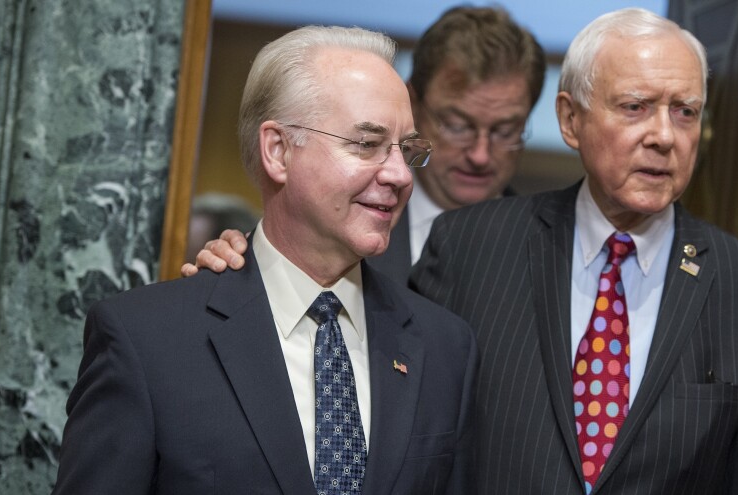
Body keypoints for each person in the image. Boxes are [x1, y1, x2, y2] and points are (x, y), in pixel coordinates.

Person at [189, 8, 738, 495]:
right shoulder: (472, 247)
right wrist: (256, 267)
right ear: (571, 120)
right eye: (635, 107)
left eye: (685, 112)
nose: (663, 136)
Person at [53, 26, 477, 495]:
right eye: (366, 144)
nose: (399, 174)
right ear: (278, 150)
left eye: (407, 149)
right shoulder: (147, 341)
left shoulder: (443, 347)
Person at [181, 6, 546, 284]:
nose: (480, 154)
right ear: (413, 103)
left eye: (505, 130)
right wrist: (244, 267)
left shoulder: (549, 251)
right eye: (456, 125)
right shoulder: (339, 225)